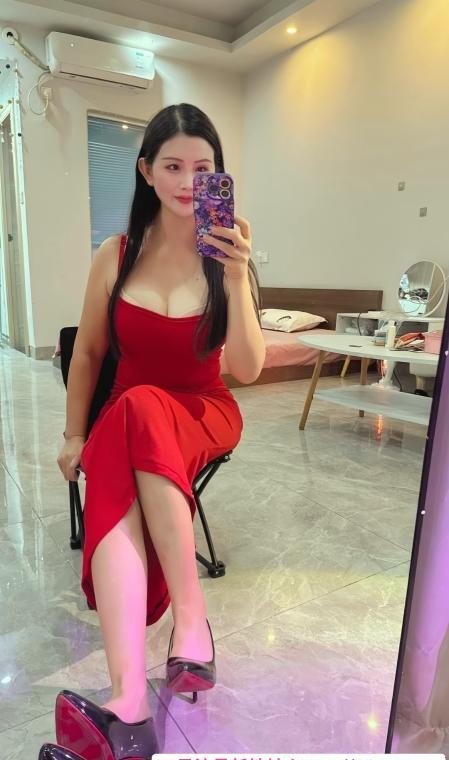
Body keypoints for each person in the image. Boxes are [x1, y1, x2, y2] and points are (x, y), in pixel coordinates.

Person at [49, 103, 265, 760]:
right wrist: (72, 435)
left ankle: (183, 631)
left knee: (139, 411)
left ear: (218, 175)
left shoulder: (227, 253)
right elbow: (88, 353)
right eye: (173, 166)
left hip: (202, 409)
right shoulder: (114, 256)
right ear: (145, 172)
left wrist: (237, 277)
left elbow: (248, 369)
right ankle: (130, 702)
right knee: (131, 421)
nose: (188, 182)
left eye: (204, 168)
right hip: (128, 413)